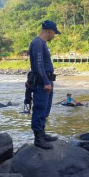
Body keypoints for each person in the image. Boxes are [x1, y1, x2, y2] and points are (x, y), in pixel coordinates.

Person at [28, 20, 60, 149]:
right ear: (50, 31)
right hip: (42, 82)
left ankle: (42, 133)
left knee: (45, 108)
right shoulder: (37, 43)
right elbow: (39, 64)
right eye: (54, 33)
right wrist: (46, 82)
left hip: (46, 81)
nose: (54, 36)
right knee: (40, 108)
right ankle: (38, 138)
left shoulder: (42, 43)